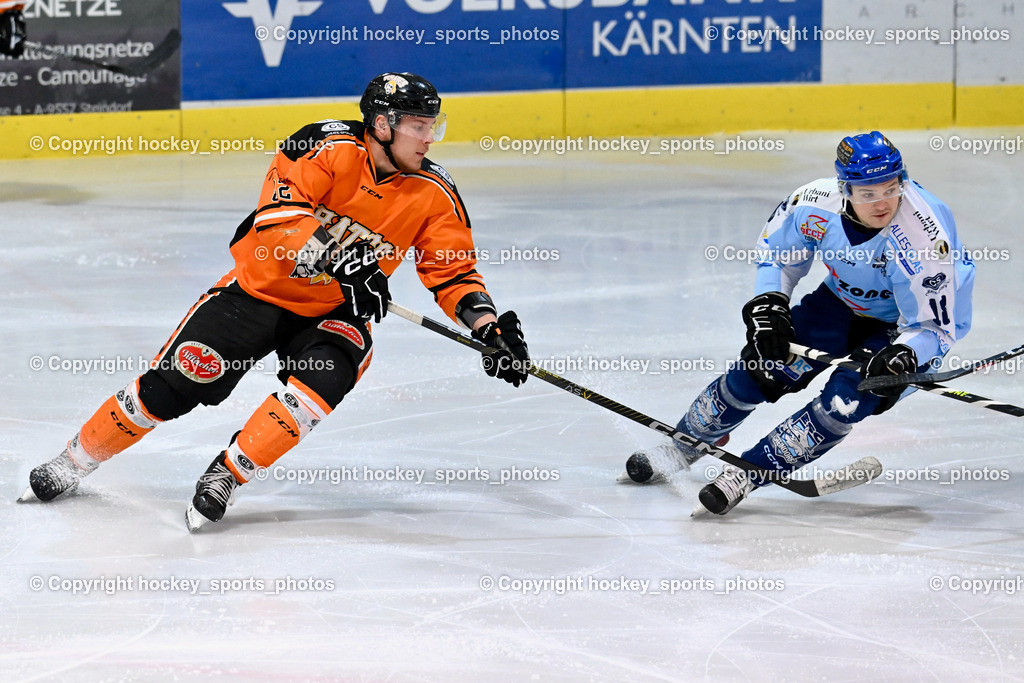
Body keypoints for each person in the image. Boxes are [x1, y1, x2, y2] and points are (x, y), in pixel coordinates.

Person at [21, 72, 531, 531]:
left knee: (322, 381)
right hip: (258, 292)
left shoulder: (435, 193)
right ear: (381, 124)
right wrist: (344, 259)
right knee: (173, 386)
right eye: (419, 126)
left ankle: (228, 473)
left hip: (336, 312)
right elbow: (279, 220)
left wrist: (487, 328)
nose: (430, 138)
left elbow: (453, 271)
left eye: (433, 127)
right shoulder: (319, 146)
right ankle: (74, 460)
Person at [631, 131, 974, 515]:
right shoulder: (814, 204)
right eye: (867, 193)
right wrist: (770, 304)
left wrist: (905, 354)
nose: (882, 202)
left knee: (847, 399)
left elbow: (936, 328)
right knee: (761, 367)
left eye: (891, 188)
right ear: (845, 190)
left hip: (904, 327)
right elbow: (778, 258)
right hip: (840, 301)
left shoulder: (924, 240)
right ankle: (683, 444)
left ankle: (748, 473)